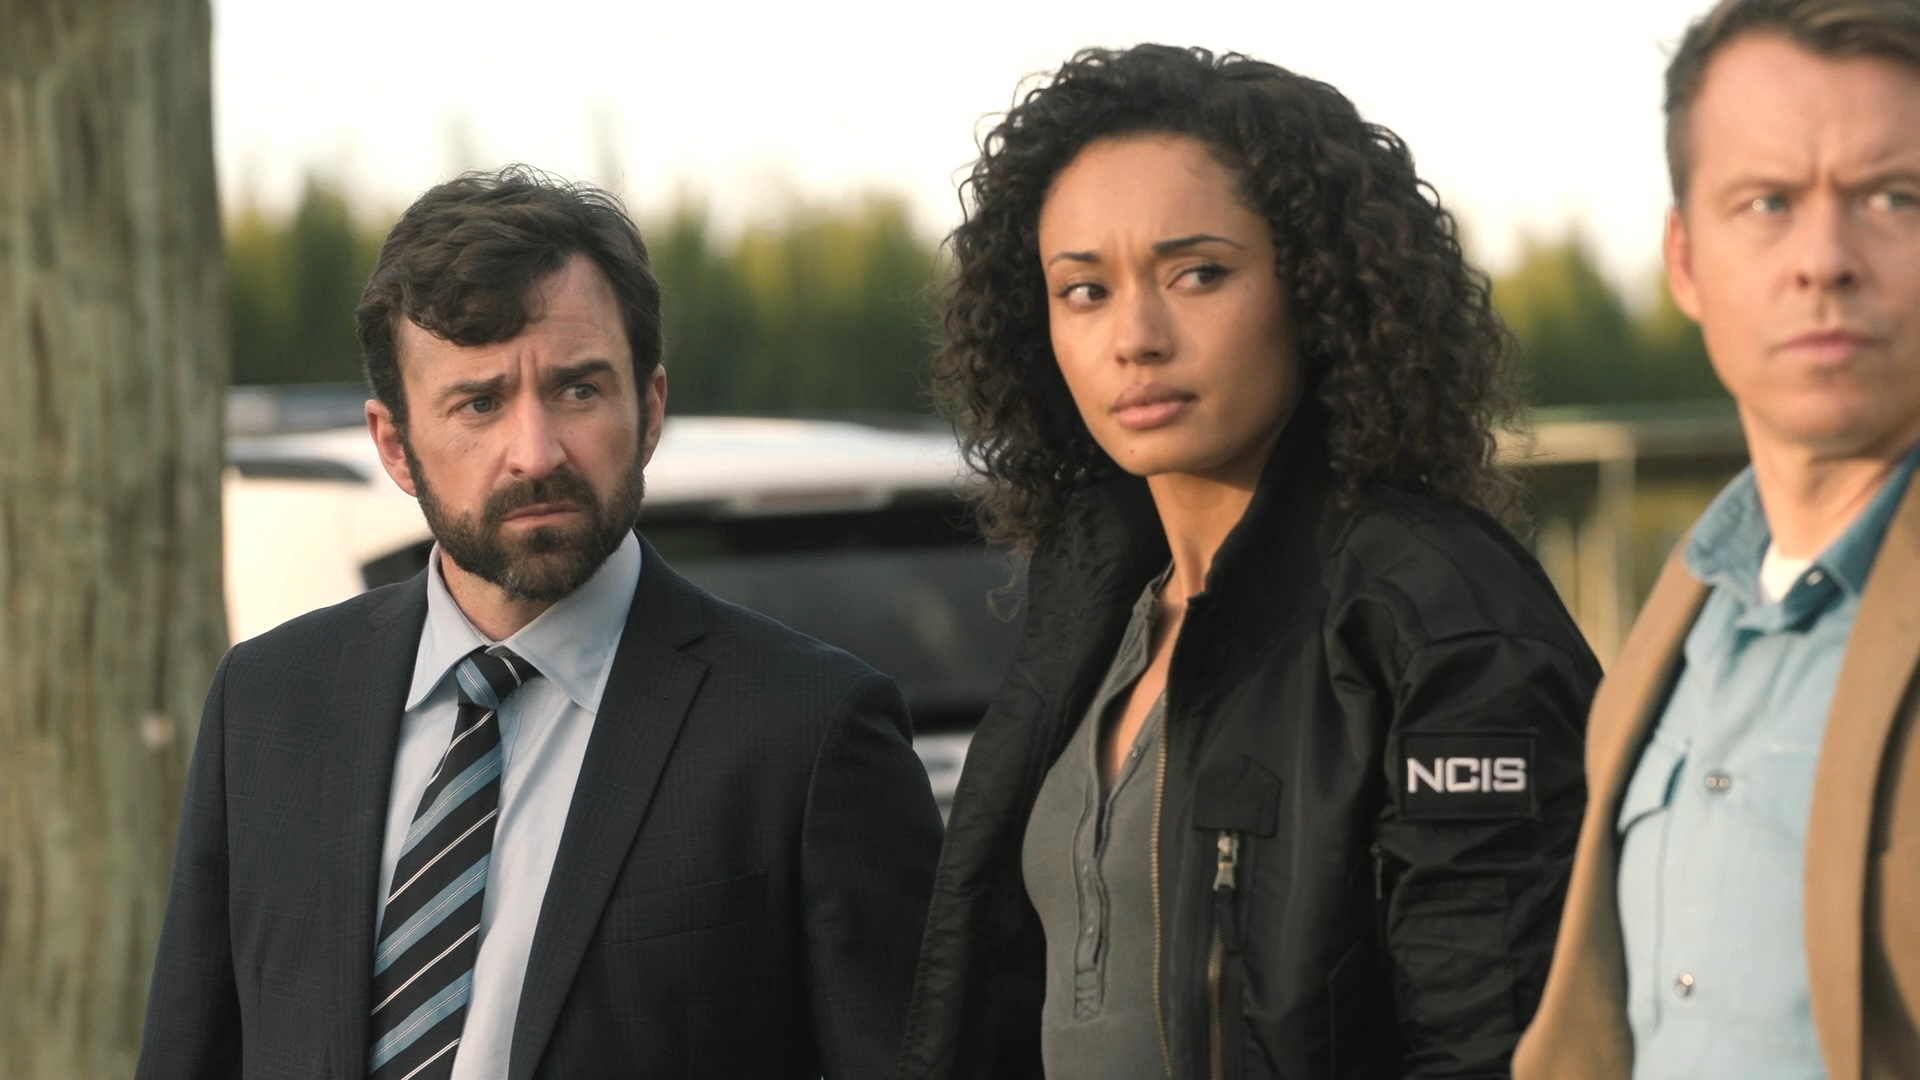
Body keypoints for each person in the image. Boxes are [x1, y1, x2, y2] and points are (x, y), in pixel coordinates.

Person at [135, 167, 943, 1080]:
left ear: (650, 409)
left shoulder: (808, 728)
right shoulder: (269, 703)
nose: (536, 452)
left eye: (578, 390)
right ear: (395, 444)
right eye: (479, 403)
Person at [896, 45, 1601, 1080]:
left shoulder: (1442, 617)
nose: (1136, 337)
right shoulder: (1094, 599)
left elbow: (1497, 1044)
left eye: (1198, 274)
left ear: (1317, 289)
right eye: (1084, 290)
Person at [1514, 2, 1920, 1078]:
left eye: (1894, 197)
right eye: (1768, 203)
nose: (1825, 259)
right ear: (1686, 262)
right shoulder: (1680, 618)